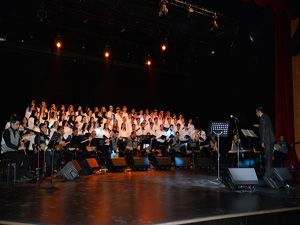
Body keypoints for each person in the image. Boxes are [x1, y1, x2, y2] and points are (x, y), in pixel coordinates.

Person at [1, 115, 32, 181]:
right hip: (6, 152)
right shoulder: (7, 131)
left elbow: (17, 143)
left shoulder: (17, 132)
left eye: (19, 124)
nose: (18, 126)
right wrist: (18, 148)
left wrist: (22, 143)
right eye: (17, 124)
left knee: (27, 157)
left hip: (14, 152)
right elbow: (8, 144)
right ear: (12, 124)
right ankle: (16, 177)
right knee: (19, 157)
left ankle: (22, 174)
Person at [255, 106, 276, 179]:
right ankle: (270, 174)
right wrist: (259, 125)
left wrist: (263, 141)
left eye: (256, 112)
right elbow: (266, 126)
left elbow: (264, 130)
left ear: (259, 111)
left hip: (267, 140)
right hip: (271, 139)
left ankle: (267, 175)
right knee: (270, 157)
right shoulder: (267, 116)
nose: (256, 113)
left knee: (268, 158)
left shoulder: (262, 118)